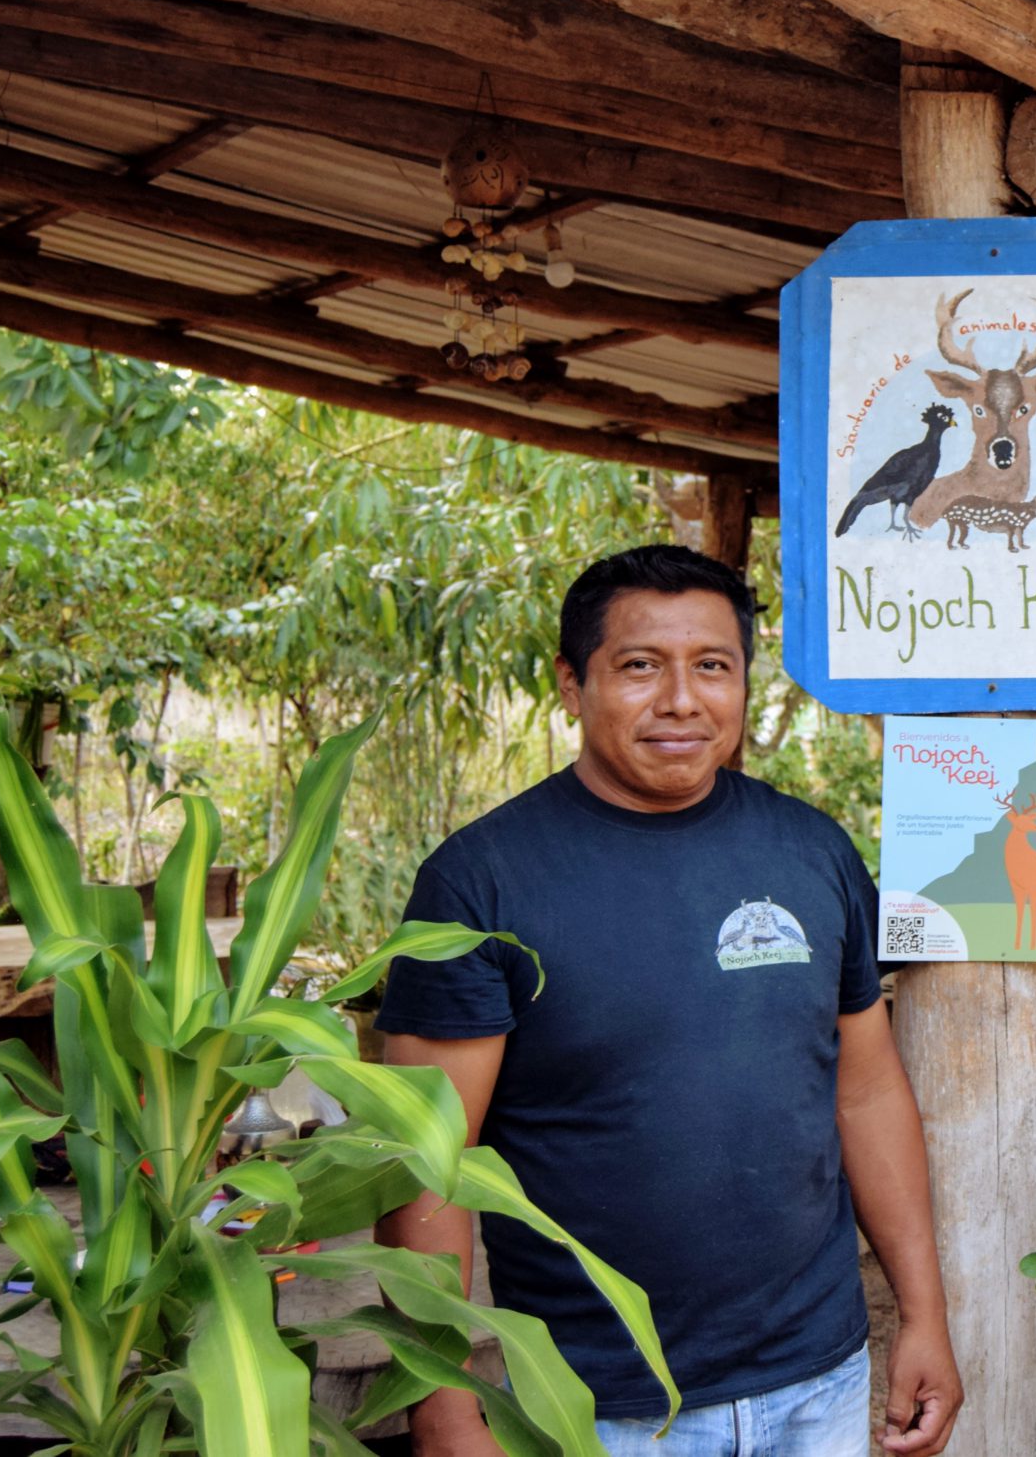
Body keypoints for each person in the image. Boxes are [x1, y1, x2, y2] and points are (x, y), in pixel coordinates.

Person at [376, 544, 961, 1457]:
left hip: (821, 1381)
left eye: (713, 666)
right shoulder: (480, 884)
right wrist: (443, 1405)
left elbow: (867, 1090)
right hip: (598, 1405)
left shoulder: (813, 853)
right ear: (573, 684)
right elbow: (425, 1162)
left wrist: (923, 1313)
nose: (682, 699)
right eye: (641, 665)